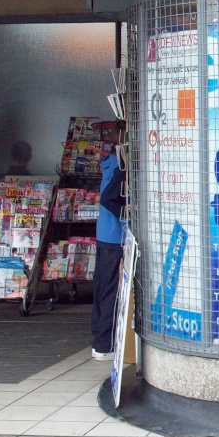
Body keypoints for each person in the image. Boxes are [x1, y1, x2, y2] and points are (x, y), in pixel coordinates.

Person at [91, 124, 126, 360]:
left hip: (106, 234)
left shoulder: (110, 163)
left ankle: (100, 342)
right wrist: (127, 213)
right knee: (112, 292)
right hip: (116, 236)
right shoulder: (122, 168)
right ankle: (105, 344)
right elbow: (109, 199)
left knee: (103, 289)